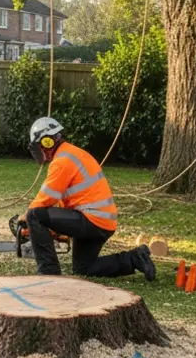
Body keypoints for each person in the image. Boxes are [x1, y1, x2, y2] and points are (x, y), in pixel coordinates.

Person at [23, 117, 156, 280]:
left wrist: (26, 218)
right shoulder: (73, 153)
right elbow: (68, 201)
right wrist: (58, 229)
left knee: (34, 215)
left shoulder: (62, 161)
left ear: (47, 142)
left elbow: (45, 199)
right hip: (102, 222)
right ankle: (134, 258)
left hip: (91, 220)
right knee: (84, 267)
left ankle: (48, 272)